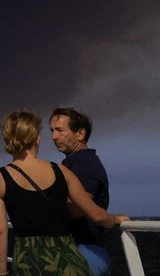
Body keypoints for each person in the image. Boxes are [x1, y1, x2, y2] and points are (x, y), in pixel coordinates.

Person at [0, 111, 128, 276]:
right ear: (36, 138)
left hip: (29, 262)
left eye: (59, 130)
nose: (53, 137)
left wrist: (2, 272)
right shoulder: (61, 171)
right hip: (67, 260)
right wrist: (114, 219)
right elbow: (96, 215)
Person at [50, 108, 112, 276]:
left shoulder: (84, 163)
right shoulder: (74, 162)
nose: (54, 137)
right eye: (52, 131)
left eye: (60, 130)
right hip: (80, 250)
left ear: (80, 134)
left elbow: (78, 209)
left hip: (84, 252)